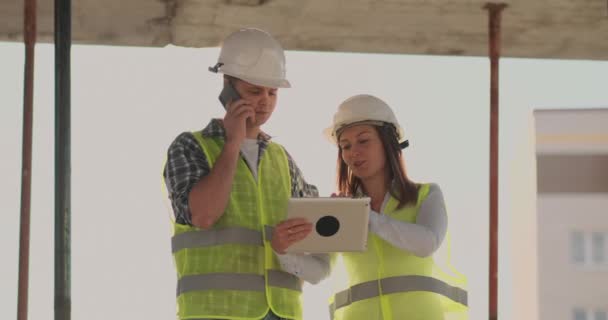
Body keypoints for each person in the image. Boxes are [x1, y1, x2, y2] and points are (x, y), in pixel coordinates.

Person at [163, 28, 329, 320]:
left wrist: (337, 212)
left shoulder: (282, 159)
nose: (265, 102)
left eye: (272, 92)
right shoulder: (191, 145)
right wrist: (232, 143)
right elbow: (203, 215)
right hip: (216, 312)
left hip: (282, 313)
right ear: (227, 87)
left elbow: (316, 240)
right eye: (255, 91)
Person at [325, 94, 468, 320]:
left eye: (363, 141)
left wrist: (365, 216)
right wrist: (289, 244)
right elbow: (316, 270)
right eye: (346, 146)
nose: (354, 152)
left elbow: (427, 243)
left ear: (388, 143)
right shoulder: (340, 211)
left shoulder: (427, 195)